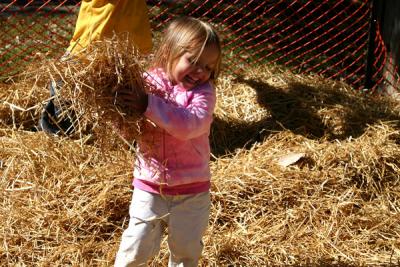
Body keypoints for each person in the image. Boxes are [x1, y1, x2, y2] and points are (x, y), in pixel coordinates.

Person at [113, 17, 222, 266]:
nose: (200, 71)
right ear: (169, 52)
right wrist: (120, 113)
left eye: (208, 66)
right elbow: (128, 130)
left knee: (186, 250)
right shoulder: (145, 84)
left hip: (192, 190)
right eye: (192, 61)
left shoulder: (203, 94)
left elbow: (189, 125)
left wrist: (148, 105)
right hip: (149, 185)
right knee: (135, 247)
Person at [39, 0, 152, 134]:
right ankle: (62, 129)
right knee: (65, 82)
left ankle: (63, 129)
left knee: (123, 91)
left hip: (110, 42)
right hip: (101, 41)